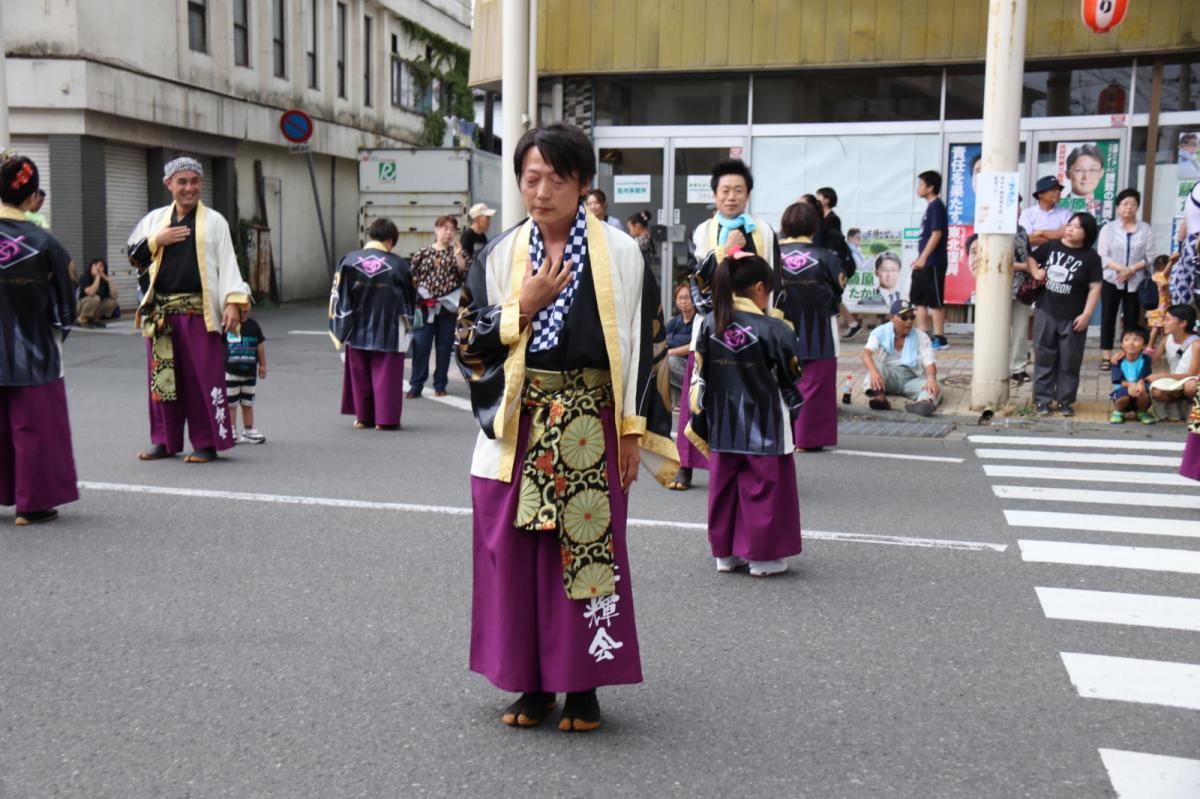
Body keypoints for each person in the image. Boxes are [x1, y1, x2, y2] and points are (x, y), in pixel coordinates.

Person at [454, 122, 677, 733]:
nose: (542, 191)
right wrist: (520, 307)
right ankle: (531, 682)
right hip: (520, 424)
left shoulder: (622, 253)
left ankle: (581, 686)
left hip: (593, 422)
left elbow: (646, 345)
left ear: (583, 184)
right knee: (517, 555)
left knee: (586, 552)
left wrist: (632, 430)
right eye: (531, 178)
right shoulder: (499, 255)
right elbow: (465, 343)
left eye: (557, 178)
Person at [684, 252, 804, 577]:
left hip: (721, 420)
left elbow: (701, 374)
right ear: (760, 288)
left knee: (724, 487)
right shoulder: (775, 328)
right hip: (765, 421)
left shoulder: (710, 323)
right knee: (764, 487)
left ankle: (725, 554)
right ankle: (763, 558)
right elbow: (793, 375)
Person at [128, 156, 251, 463]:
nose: (189, 188)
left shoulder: (215, 222)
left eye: (194, 181)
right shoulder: (155, 220)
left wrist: (233, 303)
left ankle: (207, 442)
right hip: (162, 315)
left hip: (199, 313)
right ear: (168, 184)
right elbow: (134, 256)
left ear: (201, 184)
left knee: (203, 379)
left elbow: (228, 264)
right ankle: (164, 440)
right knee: (162, 381)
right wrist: (157, 240)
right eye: (181, 182)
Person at [674, 158, 779, 491]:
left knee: (750, 397)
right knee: (698, 395)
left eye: (738, 190)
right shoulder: (702, 231)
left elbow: (776, 282)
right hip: (711, 328)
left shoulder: (764, 231)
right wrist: (725, 250)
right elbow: (695, 280)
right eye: (725, 191)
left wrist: (776, 330)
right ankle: (686, 465)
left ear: (748, 194)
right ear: (715, 195)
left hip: (753, 331)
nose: (731, 197)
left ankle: (746, 465)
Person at [0, 154, 79, 525]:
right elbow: (66, 304)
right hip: (32, 351)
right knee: (34, 426)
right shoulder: (46, 244)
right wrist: (58, 332)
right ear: (32, 196)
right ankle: (31, 504)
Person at [330, 218, 417, 430]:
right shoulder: (398, 264)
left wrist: (342, 327)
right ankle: (385, 420)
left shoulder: (348, 261)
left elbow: (338, 295)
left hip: (356, 326)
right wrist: (409, 326)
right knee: (386, 375)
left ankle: (363, 417)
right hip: (389, 327)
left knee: (360, 373)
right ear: (390, 241)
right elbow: (410, 297)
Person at [776, 201, 844, 451]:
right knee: (815, 384)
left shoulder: (773, 256)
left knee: (781, 382)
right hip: (820, 330)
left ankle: (783, 435)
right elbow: (839, 288)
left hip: (779, 327)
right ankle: (807, 439)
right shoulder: (826, 257)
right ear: (815, 226)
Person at [1027, 212, 1104, 417]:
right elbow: (1031, 258)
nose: (1070, 229)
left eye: (1077, 226)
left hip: (1074, 317)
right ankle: (1042, 400)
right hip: (1046, 310)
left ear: (1087, 233)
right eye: (1069, 224)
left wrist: (1087, 315)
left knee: (1070, 361)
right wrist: (1035, 272)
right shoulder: (1052, 246)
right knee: (1044, 357)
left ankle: (1065, 401)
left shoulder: (1091, 257)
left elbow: (1095, 288)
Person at [409, 214, 468, 399]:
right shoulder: (423, 252)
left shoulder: (458, 252)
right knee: (421, 345)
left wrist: (458, 255)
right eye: (445, 228)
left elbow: (464, 272)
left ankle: (440, 384)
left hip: (447, 308)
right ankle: (416, 384)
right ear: (436, 229)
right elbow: (412, 275)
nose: (448, 233)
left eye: (452, 229)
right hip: (425, 306)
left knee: (444, 347)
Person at [1096, 188, 1155, 370]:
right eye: (1125, 204)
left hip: (1135, 282)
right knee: (1108, 317)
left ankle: (1128, 356)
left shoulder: (1145, 229)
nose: (1129, 208)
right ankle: (1106, 356)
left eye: (1133, 204)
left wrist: (1131, 269)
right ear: (1118, 207)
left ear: (1137, 207)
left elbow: (1150, 257)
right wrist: (1121, 268)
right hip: (1112, 279)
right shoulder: (1108, 228)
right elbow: (1103, 255)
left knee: (1131, 320)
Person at [860, 299, 942, 416]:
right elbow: (865, 354)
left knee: (935, 385)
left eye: (912, 317)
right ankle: (879, 398)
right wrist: (874, 373)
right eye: (904, 318)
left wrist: (931, 378)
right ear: (892, 318)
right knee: (875, 366)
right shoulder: (880, 332)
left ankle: (923, 403)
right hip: (888, 377)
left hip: (911, 379)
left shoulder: (921, 336)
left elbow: (929, 362)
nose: (909, 321)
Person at [911, 170, 950, 351]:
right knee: (918, 300)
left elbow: (936, 234)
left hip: (934, 261)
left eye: (921, 184)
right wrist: (919, 259)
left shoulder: (936, 206)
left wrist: (924, 257)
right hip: (924, 261)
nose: (918, 188)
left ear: (930, 187)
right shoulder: (930, 207)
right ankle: (923, 337)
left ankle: (940, 338)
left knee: (935, 300)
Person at [224, 304, 267, 443]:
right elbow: (218, 346)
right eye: (240, 304)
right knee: (231, 404)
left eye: (247, 303)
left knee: (248, 403)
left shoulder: (254, 325)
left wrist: (263, 364)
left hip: (249, 373)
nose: (244, 308)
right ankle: (231, 430)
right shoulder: (227, 324)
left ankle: (249, 430)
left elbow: (260, 345)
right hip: (231, 372)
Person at [1147, 304, 1200, 410]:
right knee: (1156, 392)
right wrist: (1126, 355)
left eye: (1168, 319)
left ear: (1183, 323)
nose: (1164, 323)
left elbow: (1191, 375)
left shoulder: (1197, 344)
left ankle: (1194, 407)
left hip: (1192, 381)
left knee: (1190, 386)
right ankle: (1178, 406)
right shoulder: (1167, 339)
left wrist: (1163, 376)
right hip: (1176, 382)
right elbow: (1150, 360)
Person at [1110, 327, 1155, 424]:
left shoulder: (1146, 359)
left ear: (1144, 345)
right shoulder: (1117, 360)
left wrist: (1139, 384)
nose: (1131, 343)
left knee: (1144, 394)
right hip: (1124, 390)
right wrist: (1131, 385)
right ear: (1122, 344)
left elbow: (1144, 376)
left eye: (1136, 340)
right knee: (1122, 398)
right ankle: (1119, 411)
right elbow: (1118, 380)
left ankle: (1142, 412)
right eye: (1127, 339)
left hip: (1139, 389)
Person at [1170, 179, 1200, 308]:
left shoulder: (1194, 189)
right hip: (1194, 245)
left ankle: (1180, 316)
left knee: (1184, 293)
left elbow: (1185, 224)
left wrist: (1179, 248)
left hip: (1190, 245)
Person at [1020, 176, 1073, 248]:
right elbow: (1027, 240)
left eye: (1059, 189)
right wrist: (1058, 235)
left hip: (1057, 254)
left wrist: (1042, 232)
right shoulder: (1027, 214)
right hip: (1034, 254)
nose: (1058, 192)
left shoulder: (1066, 213)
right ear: (1040, 194)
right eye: (1053, 189)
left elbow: (1067, 235)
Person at [665, 283, 695, 404]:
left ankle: (688, 397)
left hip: (693, 368)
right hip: (676, 368)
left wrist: (671, 352)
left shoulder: (700, 320)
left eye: (687, 297)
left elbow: (694, 346)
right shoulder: (673, 322)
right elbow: (663, 343)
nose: (683, 301)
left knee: (669, 361)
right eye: (680, 298)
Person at [1147, 253, 1180, 350]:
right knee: (1157, 327)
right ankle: (1150, 346)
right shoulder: (1160, 276)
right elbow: (1166, 271)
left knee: (1159, 327)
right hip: (1161, 307)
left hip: (1154, 307)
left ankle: (1158, 346)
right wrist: (1172, 261)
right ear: (1164, 266)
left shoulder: (1153, 276)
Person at [77, 257, 120, 327]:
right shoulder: (85, 277)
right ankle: (82, 318)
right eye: (97, 265)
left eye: (102, 266)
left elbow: (115, 296)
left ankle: (94, 319)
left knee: (112, 302)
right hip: (81, 306)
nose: (99, 268)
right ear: (92, 267)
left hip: (95, 307)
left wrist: (109, 281)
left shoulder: (104, 280)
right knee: (95, 298)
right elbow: (91, 293)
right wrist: (97, 276)